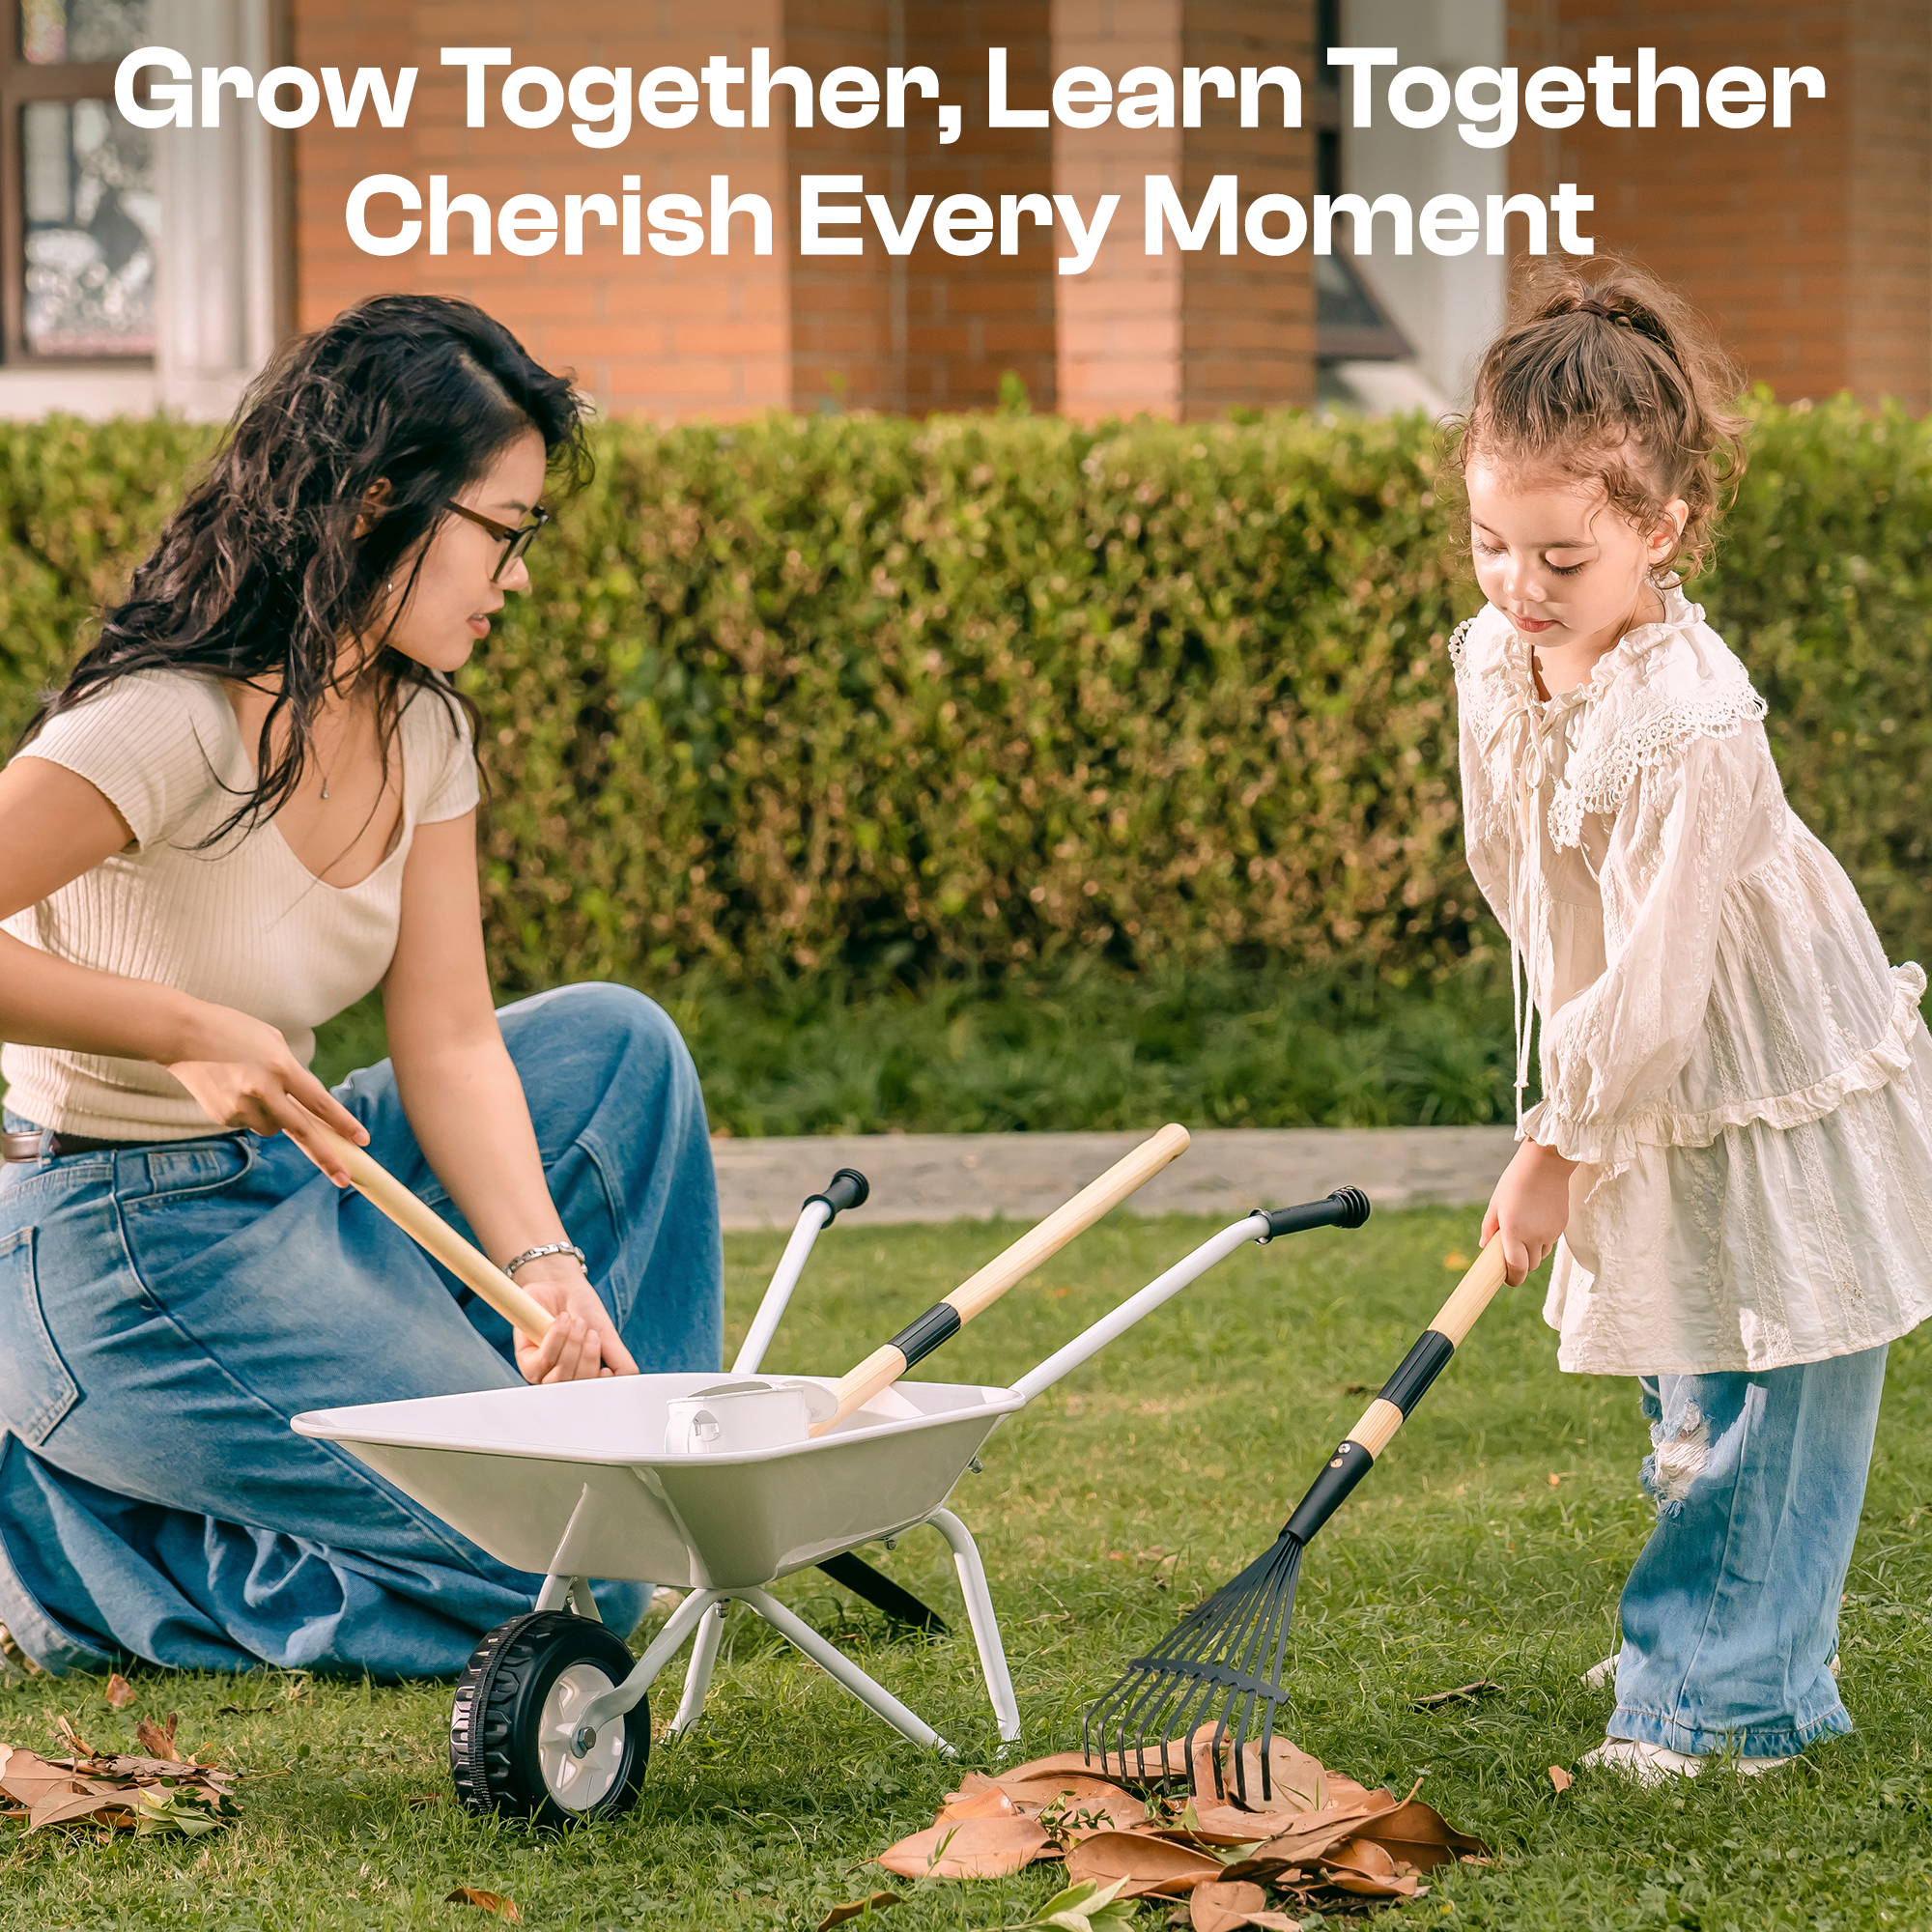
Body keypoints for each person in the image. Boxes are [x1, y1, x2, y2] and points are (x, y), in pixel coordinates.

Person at [0, 296, 722, 1680]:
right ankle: (58, 1544)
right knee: (568, 1574)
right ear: (374, 503)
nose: (517, 578)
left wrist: (545, 1271)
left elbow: (449, 1037)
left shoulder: (423, 726)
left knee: (614, 1046)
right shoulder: (163, 722)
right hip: (113, 1237)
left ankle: (631, 1451)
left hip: (297, 1178)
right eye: (502, 532)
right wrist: (177, 1028)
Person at [1451, 261, 1932, 1780]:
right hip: (1653, 1038)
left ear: (1660, 530)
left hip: (1763, 1039)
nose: (1519, 587)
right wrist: (1582, 1099)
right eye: (1490, 544)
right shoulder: (1502, 658)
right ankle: (1720, 1621)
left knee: (1781, 1353)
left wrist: (1562, 1141)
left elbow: (1661, 978)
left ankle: (1723, 1690)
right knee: (1693, 1335)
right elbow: (1535, 882)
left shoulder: (1687, 719)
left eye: (1562, 558)